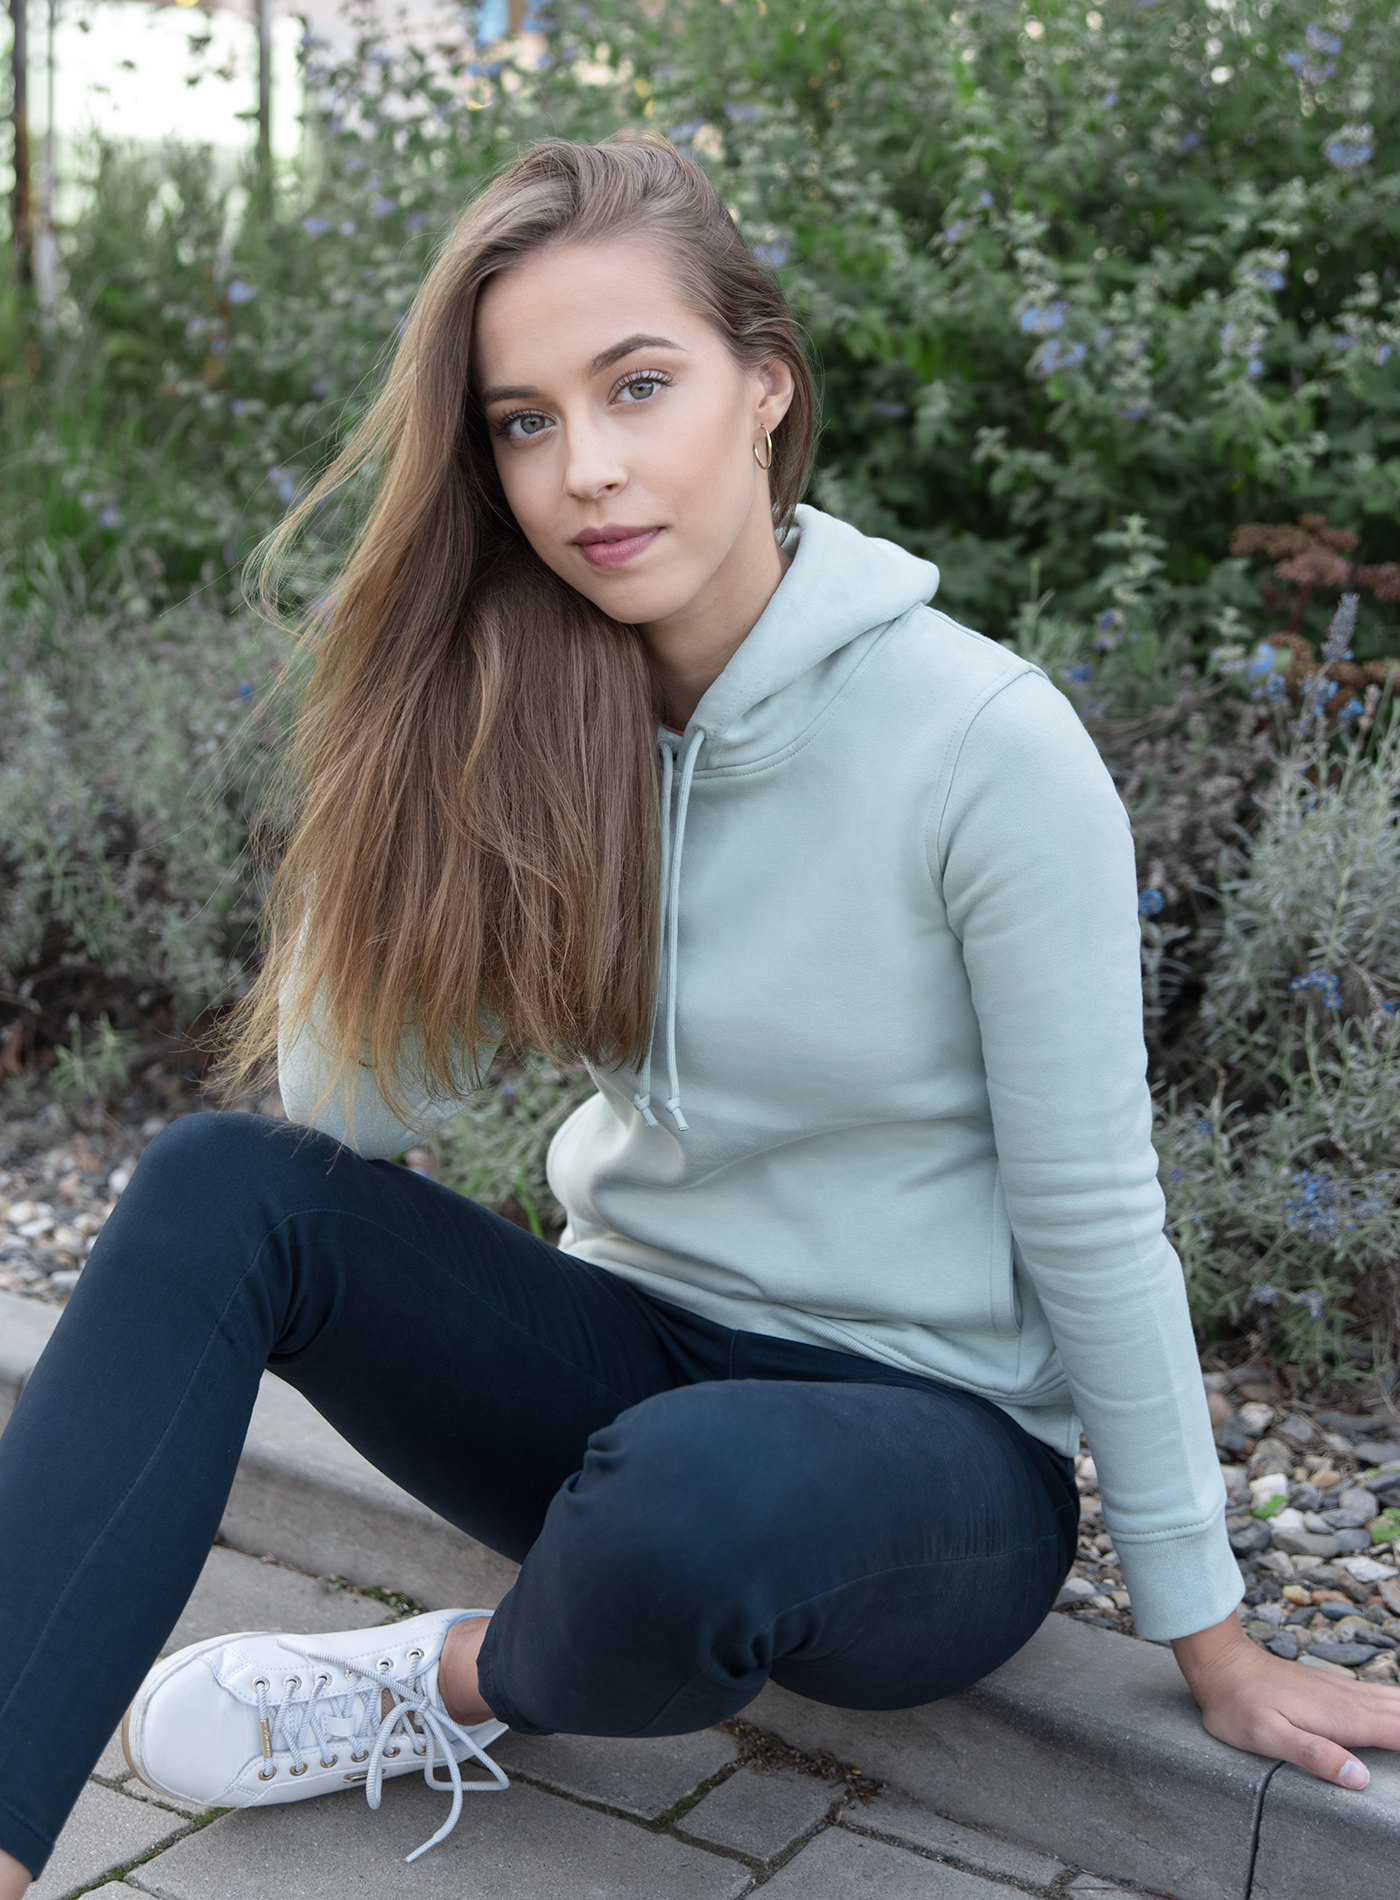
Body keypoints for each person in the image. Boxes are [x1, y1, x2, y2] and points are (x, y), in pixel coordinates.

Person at [1, 133, 1397, 1894]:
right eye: (523, 423)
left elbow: (1097, 1212)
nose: (585, 468)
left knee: (689, 1493)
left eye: (638, 386)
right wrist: (403, 771)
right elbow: (345, 1121)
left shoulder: (985, 746)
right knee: (221, 1184)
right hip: (626, 1367)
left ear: (765, 388)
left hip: (928, 1459)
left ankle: (448, 1679)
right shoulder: (546, 708)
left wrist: (1215, 1636)